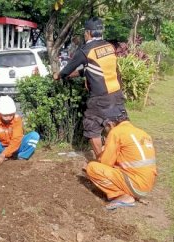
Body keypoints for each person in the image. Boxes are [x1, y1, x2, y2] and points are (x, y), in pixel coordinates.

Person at [54, 17, 127, 160]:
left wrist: (58, 75)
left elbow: (66, 69)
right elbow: (96, 69)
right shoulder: (108, 47)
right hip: (116, 93)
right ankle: (121, 156)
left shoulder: (86, 50)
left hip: (100, 96)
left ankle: (102, 161)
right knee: (116, 124)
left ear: (88, 33)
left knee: (92, 126)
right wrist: (76, 74)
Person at [85, 115, 157, 210]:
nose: (106, 133)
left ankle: (123, 196)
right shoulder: (141, 132)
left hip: (136, 184)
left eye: (106, 130)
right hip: (147, 184)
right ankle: (131, 193)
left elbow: (105, 164)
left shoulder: (116, 132)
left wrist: (92, 164)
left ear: (110, 124)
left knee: (92, 168)